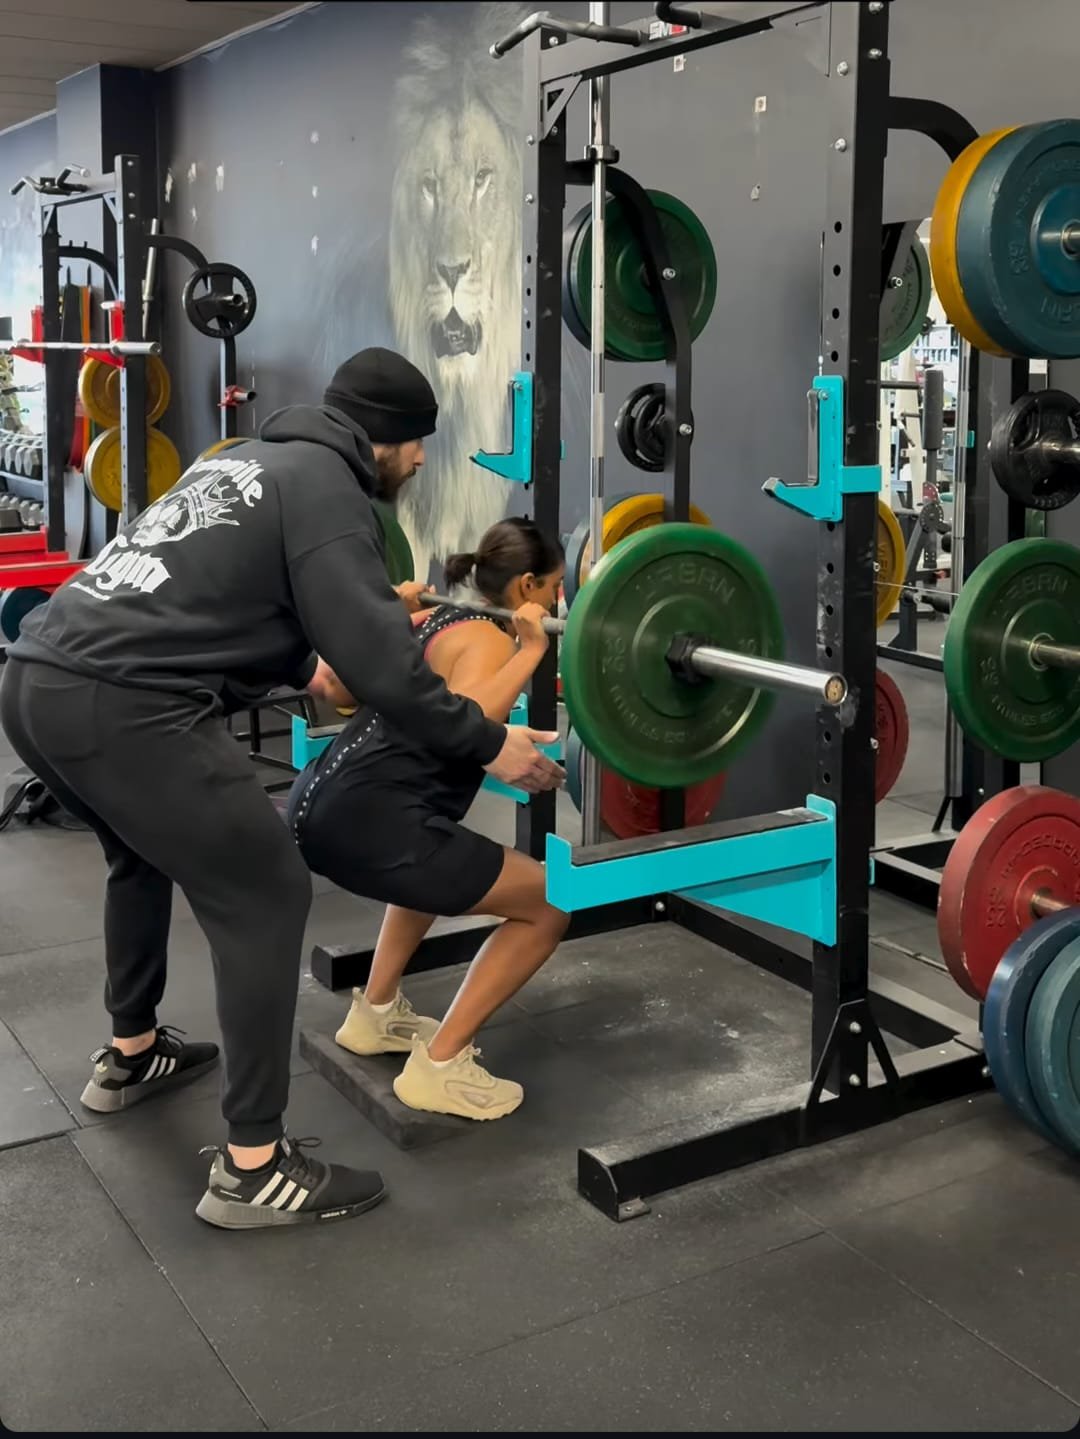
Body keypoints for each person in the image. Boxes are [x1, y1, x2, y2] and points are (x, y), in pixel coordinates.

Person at [0, 348, 563, 1231]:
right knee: (266, 891)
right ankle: (253, 1165)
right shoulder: (331, 489)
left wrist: (316, 665)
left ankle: (132, 1050)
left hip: (39, 677)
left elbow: (222, 608)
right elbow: (386, 672)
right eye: (416, 445)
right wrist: (489, 743)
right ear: (381, 439)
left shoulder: (239, 464)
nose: (418, 462)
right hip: (127, 705)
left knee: (140, 861)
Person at [288, 517, 570, 1121]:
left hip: (322, 803)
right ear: (525, 588)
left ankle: (375, 1013)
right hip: (372, 823)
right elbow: (468, 725)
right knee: (548, 905)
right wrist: (533, 651)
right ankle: (440, 1065)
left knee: (435, 850)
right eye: (552, 589)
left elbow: (361, 688)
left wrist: (393, 607)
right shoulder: (493, 640)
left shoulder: (436, 619)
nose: (557, 603)